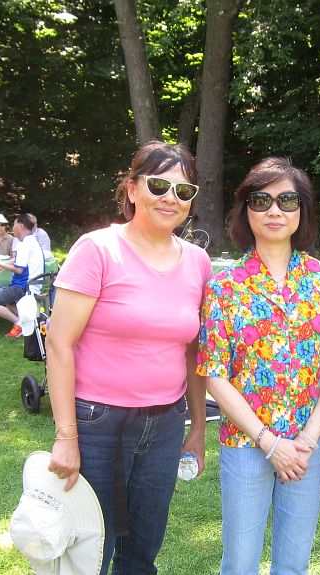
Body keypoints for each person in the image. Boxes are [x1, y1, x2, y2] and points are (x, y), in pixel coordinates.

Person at [44, 141, 212, 575]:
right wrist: (66, 436)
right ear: (132, 189)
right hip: (97, 422)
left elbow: (194, 351)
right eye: (158, 186)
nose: (170, 198)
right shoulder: (97, 249)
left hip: (166, 423)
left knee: (142, 550)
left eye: (183, 191)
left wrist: (197, 426)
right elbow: (59, 343)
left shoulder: (198, 262)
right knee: (88, 551)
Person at [197, 158, 320, 575]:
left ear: (303, 210)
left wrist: (307, 439)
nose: (275, 211)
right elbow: (214, 373)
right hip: (246, 444)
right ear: (245, 210)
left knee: (294, 564)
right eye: (261, 200)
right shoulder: (225, 287)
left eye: (287, 200)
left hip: (305, 446)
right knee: (240, 563)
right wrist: (268, 442)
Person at [0, 214, 46, 337]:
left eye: (14, 224)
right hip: (32, 285)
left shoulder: (25, 245)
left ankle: (20, 325)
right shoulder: (31, 242)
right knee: (9, 303)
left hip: (23, 286)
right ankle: (32, 323)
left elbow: (18, 270)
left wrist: (0, 264)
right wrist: (2, 264)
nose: (12, 228)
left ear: (21, 226)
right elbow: (18, 260)